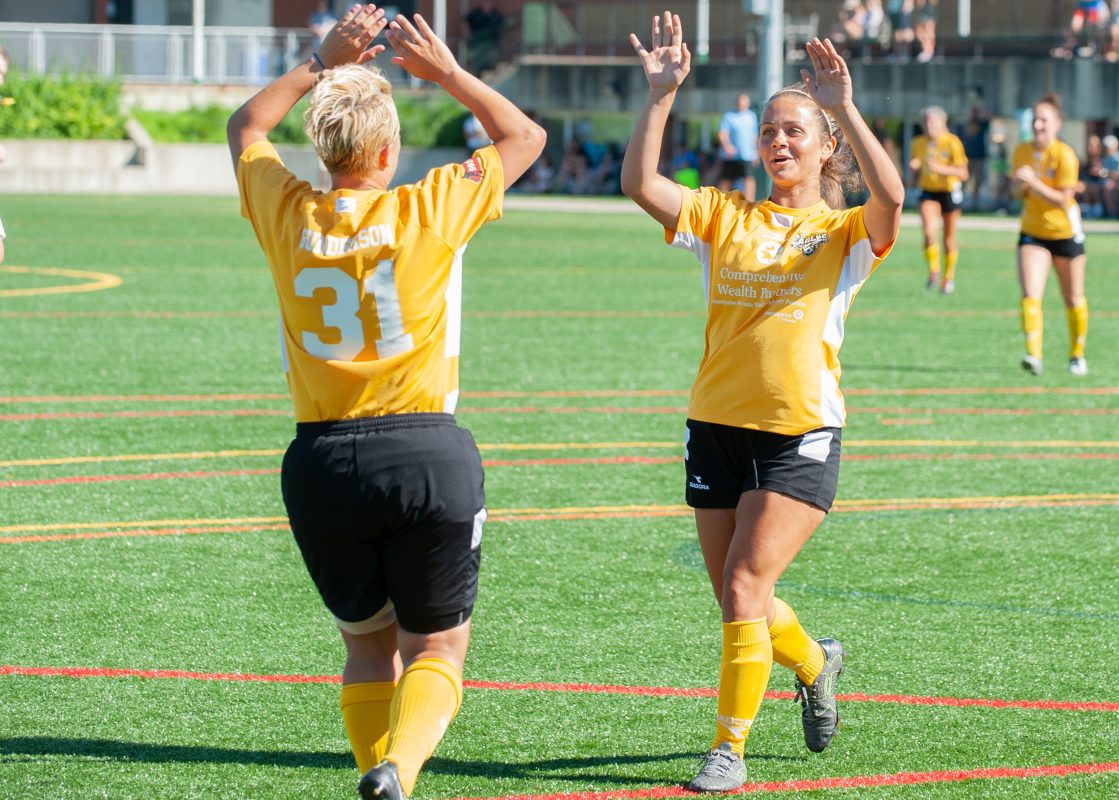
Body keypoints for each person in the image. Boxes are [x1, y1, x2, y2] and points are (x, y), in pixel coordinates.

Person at [225, 6, 545, 800]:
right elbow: (525, 139)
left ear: (323, 147)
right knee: (438, 647)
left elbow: (244, 126)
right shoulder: (425, 208)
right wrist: (445, 74)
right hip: (426, 450)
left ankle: (378, 774)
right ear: (389, 149)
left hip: (322, 460)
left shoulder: (287, 210)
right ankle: (399, 768)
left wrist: (318, 61)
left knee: (369, 649)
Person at [622, 12, 904, 793]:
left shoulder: (845, 232)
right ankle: (817, 663)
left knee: (746, 588)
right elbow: (641, 186)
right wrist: (661, 95)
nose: (780, 141)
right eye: (771, 131)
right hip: (714, 425)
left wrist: (844, 103)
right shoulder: (725, 216)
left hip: (799, 433)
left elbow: (893, 196)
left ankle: (728, 750)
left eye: (796, 132)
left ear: (823, 149)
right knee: (738, 600)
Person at [1011, 94, 1089, 377]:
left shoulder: (1065, 155)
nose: (1038, 125)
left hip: (1065, 233)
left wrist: (1034, 182)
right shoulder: (1020, 151)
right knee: (1031, 294)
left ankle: (1077, 354)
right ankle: (1034, 354)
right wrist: (1019, 186)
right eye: (1035, 119)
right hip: (1033, 232)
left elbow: (1064, 199)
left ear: (1057, 123)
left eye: (1044, 119)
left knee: (1073, 298)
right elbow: (1014, 192)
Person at [909, 106, 968, 293]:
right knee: (928, 232)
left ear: (943, 123)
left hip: (949, 192)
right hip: (928, 191)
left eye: (932, 121)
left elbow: (963, 173)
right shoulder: (918, 142)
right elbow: (917, 161)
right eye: (926, 121)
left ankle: (948, 277)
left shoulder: (952, 143)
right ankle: (934, 271)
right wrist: (914, 168)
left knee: (949, 238)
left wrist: (941, 169)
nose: (929, 125)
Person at [717, 93, 760, 201]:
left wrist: (756, 153)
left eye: (744, 102)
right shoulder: (728, 116)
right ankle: (721, 202)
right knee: (726, 180)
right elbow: (722, 133)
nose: (741, 104)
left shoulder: (752, 116)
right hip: (732, 156)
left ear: (748, 103)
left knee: (749, 179)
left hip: (747, 155)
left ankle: (750, 202)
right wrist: (727, 147)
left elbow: (755, 135)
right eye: (740, 101)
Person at [961, 86, 992, 211]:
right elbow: (968, 130)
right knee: (964, 180)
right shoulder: (968, 121)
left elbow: (989, 117)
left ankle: (975, 205)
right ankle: (960, 204)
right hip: (967, 155)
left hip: (979, 155)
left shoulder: (983, 122)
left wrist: (980, 108)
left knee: (978, 182)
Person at [464, 0, 505, 73]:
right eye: (485, 2)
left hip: (491, 44)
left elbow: (502, 25)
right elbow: (465, 22)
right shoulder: (475, 13)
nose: (487, 4)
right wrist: (468, 35)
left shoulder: (495, 14)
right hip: (477, 43)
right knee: (475, 63)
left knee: (492, 62)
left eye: (489, 2)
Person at [1099, 133, 1119, 217]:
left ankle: (1111, 212)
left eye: (1108, 147)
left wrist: (1103, 172)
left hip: (1118, 184)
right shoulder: (1104, 158)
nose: (1107, 149)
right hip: (1102, 182)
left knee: (1108, 186)